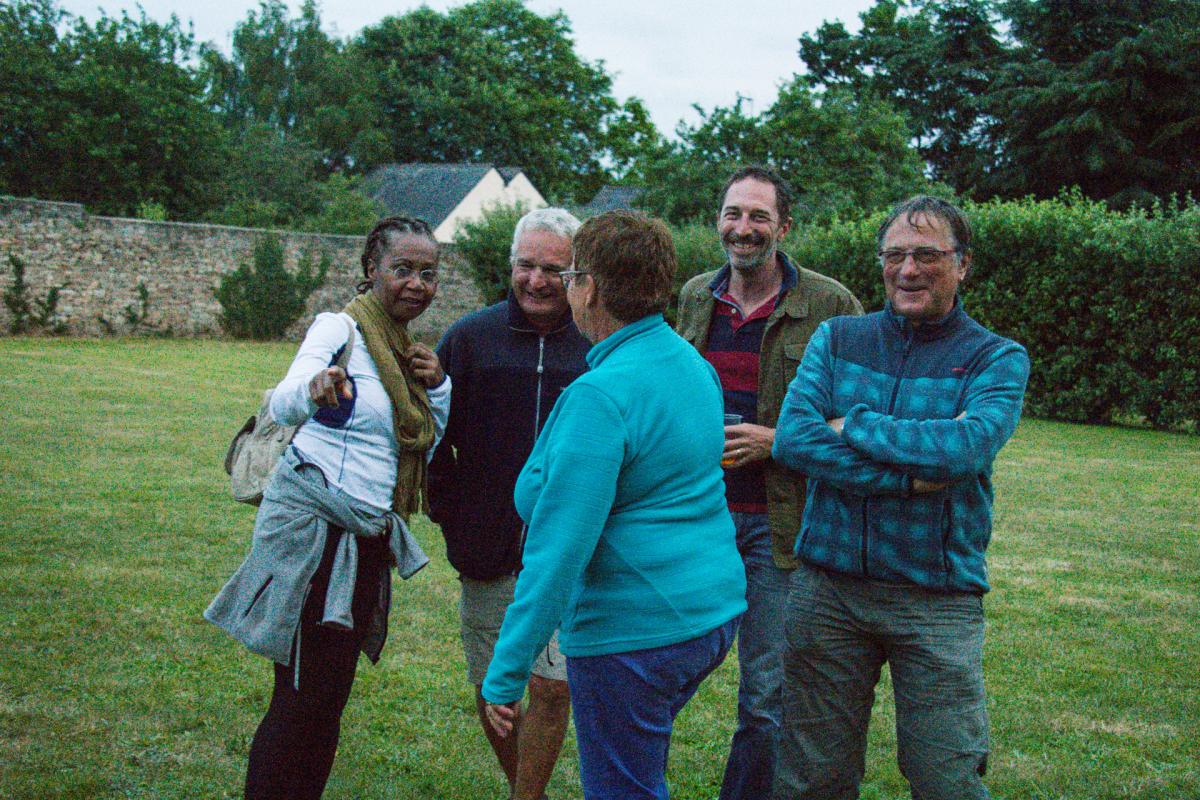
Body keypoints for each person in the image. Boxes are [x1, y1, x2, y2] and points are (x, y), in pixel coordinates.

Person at [480, 210, 747, 800]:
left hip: (634, 632)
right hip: (710, 613)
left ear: (591, 288)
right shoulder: (691, 364)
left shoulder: (600, 396)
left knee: (623, 789)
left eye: (571, 275)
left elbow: (559, 551)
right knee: (639, 769)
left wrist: (506, 671)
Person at [770, 196, 1030, 799]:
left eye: (927, 255)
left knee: (946, 777)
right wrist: (908, 480)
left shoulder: (996, 357)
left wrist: (852, 424)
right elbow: (794, 440)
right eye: (895, 255)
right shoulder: (839, 337)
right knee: (811, 777)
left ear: (962, 264)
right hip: (828, 592)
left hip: (935, 597)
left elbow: (963, 450)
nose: (908, 270)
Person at [205, 215, 452, 799]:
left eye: (428, 273)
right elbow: (284, 401)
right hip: (313, 534)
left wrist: (439, 387)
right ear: (372, 269)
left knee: (327, 698)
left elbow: (421, 443)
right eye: (402, 269)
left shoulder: (408, 355)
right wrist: (315, 386)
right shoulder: (338, 329)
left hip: (368, 536)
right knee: (299, 697)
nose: (416, 284)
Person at [675, 165, 862, 799]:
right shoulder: (696, 296)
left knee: (766, 696)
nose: (744, 228)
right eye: (734, 214)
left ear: (784, 227)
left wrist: (778, 441)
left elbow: (861, 416)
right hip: (698, 519)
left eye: (759, 216)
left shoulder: (831, 306)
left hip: (781, 530)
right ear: (718, 221)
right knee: (657, 666)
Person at [428, 207, 589, 800]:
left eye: (554, 269)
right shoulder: (470, 338)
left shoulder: (597, 342)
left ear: (578, 274)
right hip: (488, 550)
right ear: (511, 264)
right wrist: (454, 517)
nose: (537, 281)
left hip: (570, 553)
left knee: (554, 686)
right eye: (526, 265)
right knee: (493, 685)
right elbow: (434, 434)